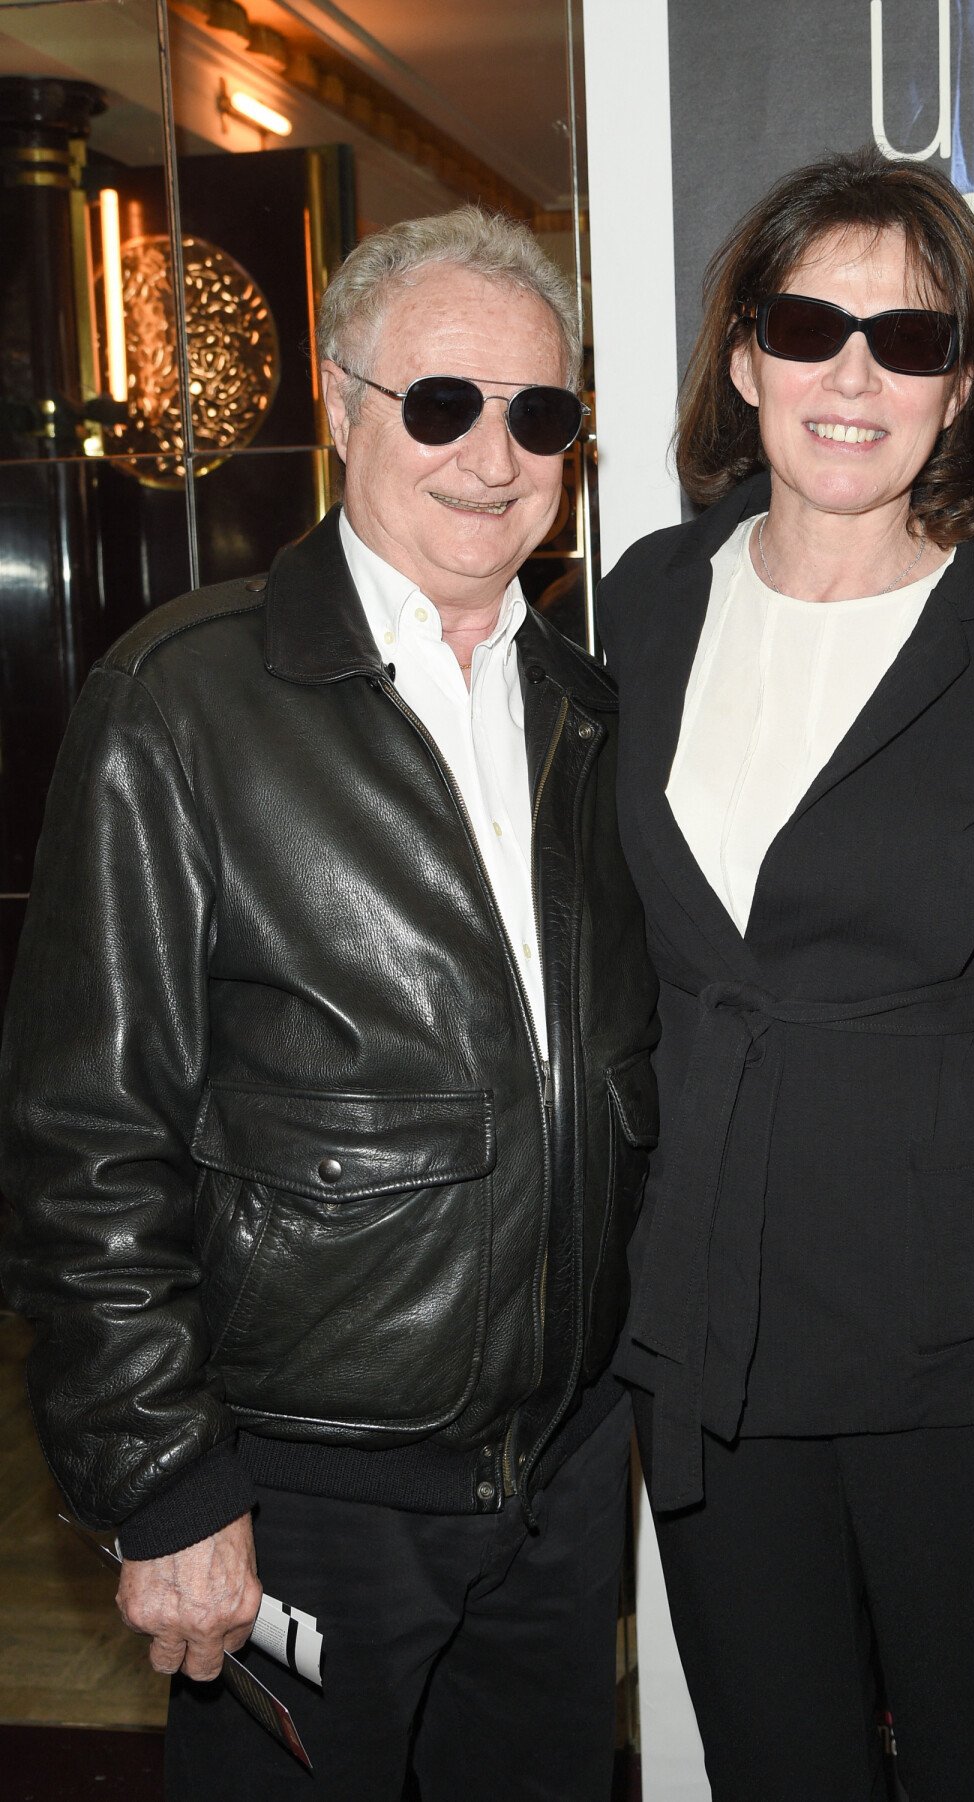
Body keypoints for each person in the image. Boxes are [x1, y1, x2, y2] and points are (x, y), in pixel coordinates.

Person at [0, 208, 662, 1802]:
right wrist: (159, 1482)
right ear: (343, 404)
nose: (492, 457)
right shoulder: (182, 700)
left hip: (557, 1475)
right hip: (300, 1491)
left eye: (540, 414)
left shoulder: (590, 705)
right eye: (441, 403)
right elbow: (85, 1135)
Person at [597, 147, 974, 1802]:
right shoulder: (640, 604)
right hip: (714, 1322)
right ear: (744, 357)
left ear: (959, 389)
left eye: (908, 341)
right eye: (810, 324)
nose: (854, 374)